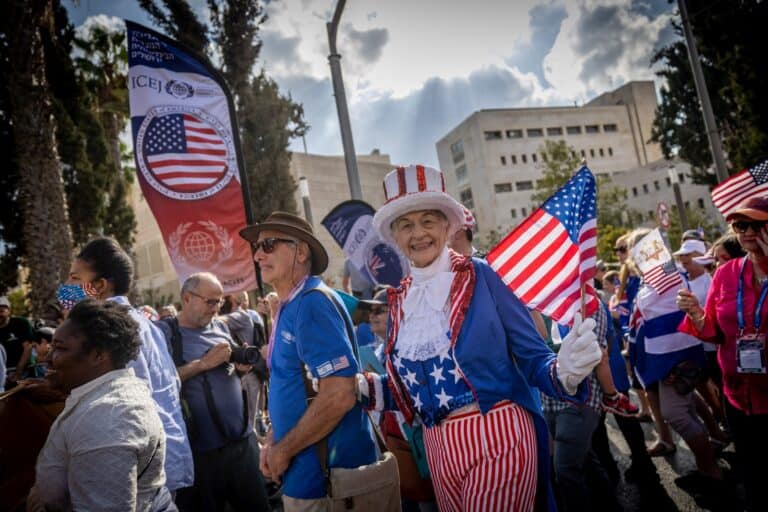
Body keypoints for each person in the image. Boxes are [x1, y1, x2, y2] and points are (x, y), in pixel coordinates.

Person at [360, 164, 602, 511]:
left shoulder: (483, 275)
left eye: (428, 220)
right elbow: (412, 387)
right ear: (395, 237)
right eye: (406, 225)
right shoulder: (401, 299)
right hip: (437, 448)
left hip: (497, 435)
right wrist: (363, 388)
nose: (418, 234)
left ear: (447, 225)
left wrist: (564, 370)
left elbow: (534, 358)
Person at [239, 212, 386, 510]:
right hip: (311, 480)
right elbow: (293, 384)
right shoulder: (293, 304)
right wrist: (273, 439)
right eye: (257, 247)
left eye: (268, 244)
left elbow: (339, 394)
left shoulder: (311, 303)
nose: (257, 255)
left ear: (301, 251)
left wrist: (283, 451)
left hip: (329, 485)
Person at [63, 237, 193, 494]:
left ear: (99, 286)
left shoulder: (109, 331)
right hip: (164, 459)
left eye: (75, 280)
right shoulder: (141, 322)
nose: (67, 288)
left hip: (141, 473)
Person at [27, 299, 175, 511]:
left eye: (59, 348)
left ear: (98, 356)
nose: (48, 358)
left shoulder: (107, 417)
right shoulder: (107, 397)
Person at [677, 196, 768, 511]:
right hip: (738, 398)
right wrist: (696, 314)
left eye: (755, 225)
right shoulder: (727, 273)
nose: (745, 231)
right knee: (754, 476)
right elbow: (714, 330)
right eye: (740, 225)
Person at [157, 273, 270, 511]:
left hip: (242, 444)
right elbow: (158, 384)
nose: (216, 308)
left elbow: (227, 374)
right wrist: (203, 364)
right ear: (187, 298)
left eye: (219, 302)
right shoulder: (165, 333)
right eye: (210, 302)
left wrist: (239, 370)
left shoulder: (220, 325)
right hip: (200, 455)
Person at [0, 295, 34, 383]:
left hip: (24, 371)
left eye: (1, 311)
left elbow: (28, 347)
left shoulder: (20, 323)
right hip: (4, 374)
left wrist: (18, 372)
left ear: (9, 311)